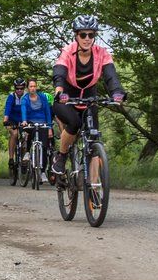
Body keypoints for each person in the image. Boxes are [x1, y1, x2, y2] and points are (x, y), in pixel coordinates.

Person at [51, 16, 125, 185]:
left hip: (89, 98)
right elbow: (59, 72)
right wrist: (59, 91)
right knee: (75, 123)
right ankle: (61, 156)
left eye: (91, 35)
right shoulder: (67, 51)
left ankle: (94, 187)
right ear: (76, 35)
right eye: (83, 34)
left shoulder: (102, 53)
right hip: (66, 98)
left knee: (94, 137)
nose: (87, 39)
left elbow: (111, 76)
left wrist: (117, 93)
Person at [16, 77, 53, 174]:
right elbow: (23, 110)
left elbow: (47, 112)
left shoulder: (42, 97)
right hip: (30, 122)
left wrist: (49, 127)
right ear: (28, 88)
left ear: (36, 87)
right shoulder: (25, 99)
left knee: (44, 147)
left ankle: (43, 172)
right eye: (31, 86)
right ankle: (28, 152)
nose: (33, 88)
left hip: (43, 123)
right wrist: (24, 120)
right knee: (29, 132)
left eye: (34, 86)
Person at [1, 78, 27, 174]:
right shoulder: (11, 96)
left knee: (25, 137)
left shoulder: (27, 96)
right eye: (17, 88)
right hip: (12, 120)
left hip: (24, 120)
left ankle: (24, 161)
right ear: (14, 88)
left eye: (21, 88)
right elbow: (7, 109)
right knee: (14, 134)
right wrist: (5, 120)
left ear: (24, 88)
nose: (19, 90)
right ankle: (11, 158)